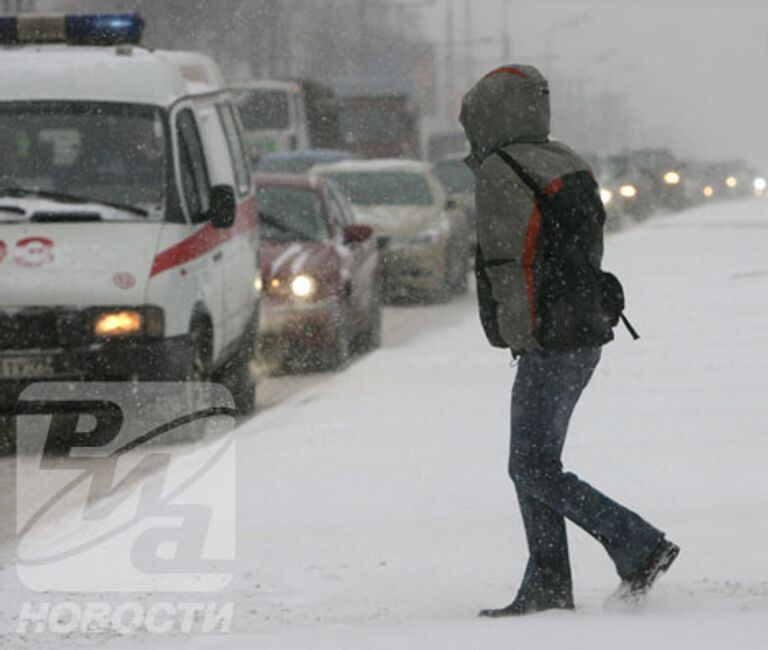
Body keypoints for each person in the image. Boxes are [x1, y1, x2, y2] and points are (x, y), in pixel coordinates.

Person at [460, 64, 679, 617]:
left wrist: (520, 331)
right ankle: (548, 583)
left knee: (530, 467)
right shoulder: (564, 157)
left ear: (488, 114)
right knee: (537, 462)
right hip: (585, 327)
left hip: (550, 335)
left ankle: (635, 543)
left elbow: (511, 260)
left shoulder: (500, 167)